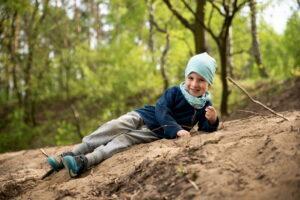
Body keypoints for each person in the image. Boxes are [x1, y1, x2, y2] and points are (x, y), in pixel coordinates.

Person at [47, 52, 219, 178]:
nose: (194, 84)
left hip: (155, 133)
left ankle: (83, 161)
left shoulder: (205, 104)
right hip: (145, 116)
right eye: (191, 78)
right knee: (113, 127)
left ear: (209, 84)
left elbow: (205, 127)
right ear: (186, 77)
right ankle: (69, 154)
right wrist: (175, 130)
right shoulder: (175, 92)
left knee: (123, 141)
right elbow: (161, 109)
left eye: (201, 80)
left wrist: (212, 120)